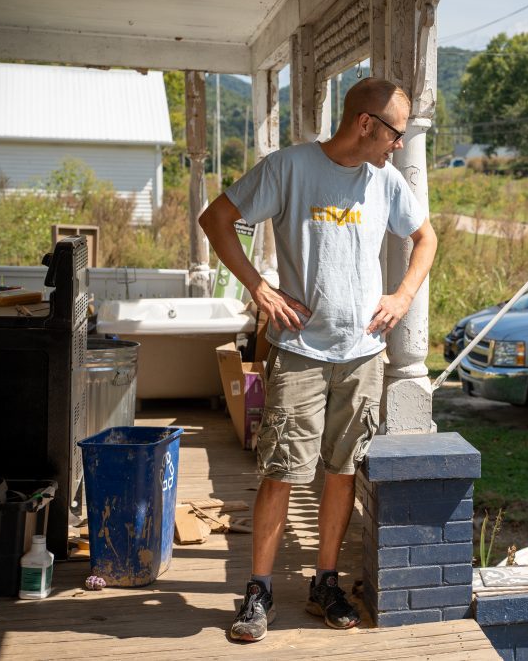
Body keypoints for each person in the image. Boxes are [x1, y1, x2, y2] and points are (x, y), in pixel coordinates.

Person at [199, 77, 437, 643]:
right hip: (300, 352)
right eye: (395, 133)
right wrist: (259, 287)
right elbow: (216, 219)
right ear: (365, 124)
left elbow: (426, 238)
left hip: (363, 357)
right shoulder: (290, 168)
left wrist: (403, 297)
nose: (398, 145)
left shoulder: (387, 181)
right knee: (282, 471)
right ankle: (257, 590)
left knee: (342, 470)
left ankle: (324, 582)